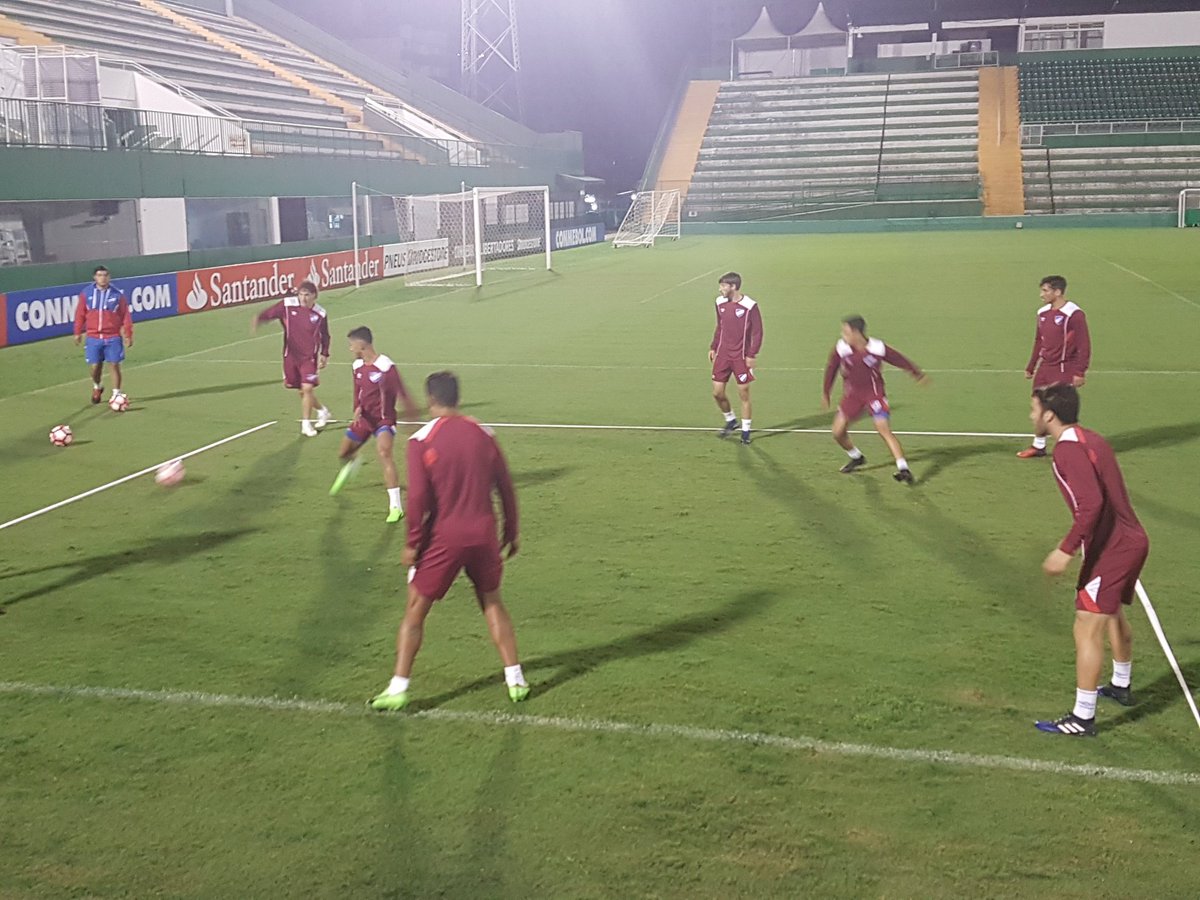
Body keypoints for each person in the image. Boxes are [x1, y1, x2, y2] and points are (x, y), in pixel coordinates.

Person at [371, 371, 528, 711]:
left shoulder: (421, 441)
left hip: (445, 537)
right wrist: (511, 531)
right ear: (458, 397)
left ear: (431, 399)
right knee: (492, 602)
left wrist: (413, 543)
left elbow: (418, 499)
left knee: (415, 611)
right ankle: (515, 679)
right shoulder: (484, 433)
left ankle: (399, 687)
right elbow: (505, 486)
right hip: (484, 534)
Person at [1032, 384, 1149, 737]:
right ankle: (1121, 685)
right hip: (1129, 541)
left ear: (1049, 414)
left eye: (1034, 409)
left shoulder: (1067, 451)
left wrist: (1065, 549)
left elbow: (1092, 504)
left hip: (1113, 549)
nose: (1032, 415)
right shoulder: (1091, 438)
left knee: (1086, 624)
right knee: (1110, 613)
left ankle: (1083, 718)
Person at [329, 326, 419, 524]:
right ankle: (354, 461)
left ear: (361, 344)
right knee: (343, 453)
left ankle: (395, 507)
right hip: (364, 420)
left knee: (384, 453)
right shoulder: (357, 366)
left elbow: (403, 392)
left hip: (383, 421)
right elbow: (357, 391)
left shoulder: (386, 366)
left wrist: (411, 416)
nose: (350, 348)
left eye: (351, 345)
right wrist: (357, 408)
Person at [822, 315, 927, 483]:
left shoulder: (877, 348)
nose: (843, 335)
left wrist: (916, 373)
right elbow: (831, 367)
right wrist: (826, 391)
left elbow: (898, 359)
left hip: (874, 394)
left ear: (857, 333)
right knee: (837, 432)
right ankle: (856, 457)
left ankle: (903, 469)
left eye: (846, 332)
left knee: (883, 429)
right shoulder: (841, 348)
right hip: (852, 396)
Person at [1018, 275, 1090, 458]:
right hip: (1044, 368)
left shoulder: (1074, 314)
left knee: (1062, 413)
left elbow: (1084, 344)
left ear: (1057, 292)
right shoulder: (1042, 313)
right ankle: (1038, 446)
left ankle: (1075, 448)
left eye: (1045, 291)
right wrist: (1031, 365)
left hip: (1064, 368)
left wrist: (1080, 371)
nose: (1041, 295)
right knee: (1038, 407)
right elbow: (1039, 341)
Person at [251, 280, 331, 437]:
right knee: (302, 391)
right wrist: (259, 319)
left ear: (314, 296)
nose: (303, 298)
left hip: (309, 358)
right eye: (301, 294)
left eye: (307, 295)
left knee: (307, 388)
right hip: (291, 357)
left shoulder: (320, 314)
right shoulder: (287, 305)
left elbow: (325, 335)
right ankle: (322, 411)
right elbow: (271, 313)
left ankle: (306, 424)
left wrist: (324, 354)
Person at [708, 272, 763, 445]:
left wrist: (752, 354)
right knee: (717, 393)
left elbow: (757, 332)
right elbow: (720, 326)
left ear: (733, 286)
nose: (720, 289)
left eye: (723, 286)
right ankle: (731, 420)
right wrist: (713, 346)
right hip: (723, 355)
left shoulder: (750, 306)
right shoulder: (719, 302)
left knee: (743, 393)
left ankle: (746, 432)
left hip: (741, 357)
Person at [73, 265, 132, 405]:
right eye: (100, 275)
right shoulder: (86, 293)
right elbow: (80, 314)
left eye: (105, 275)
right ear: (95, 277)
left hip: (112, 336)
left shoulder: (117, 294)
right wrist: (77, 332)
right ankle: (97, 386)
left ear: (109, 277)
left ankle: (116, 394)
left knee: (114, 364)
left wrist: (128, 334)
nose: (103, 278)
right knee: (95, 367)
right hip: (93, 337)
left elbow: (125, 315)